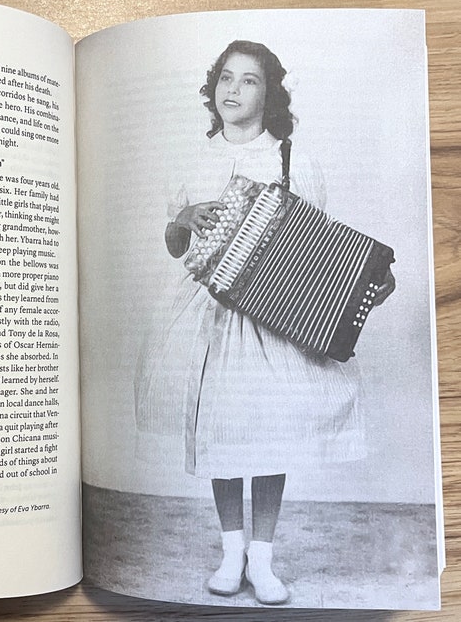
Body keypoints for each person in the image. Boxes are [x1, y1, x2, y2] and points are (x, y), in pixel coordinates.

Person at [135, 40, 393, 606]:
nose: (233, 90)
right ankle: (231, 554)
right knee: (223, 435)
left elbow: (320, 247)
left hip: (273, 320)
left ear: (269, 92)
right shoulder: (190, 158)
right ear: (213, 87)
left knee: (269, 436)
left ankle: (264, 558)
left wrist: (363, 281)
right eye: (226, 78)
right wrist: (182, 219)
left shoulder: (293, 160)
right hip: (213, 318)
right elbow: (175, 245)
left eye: (249, 81)